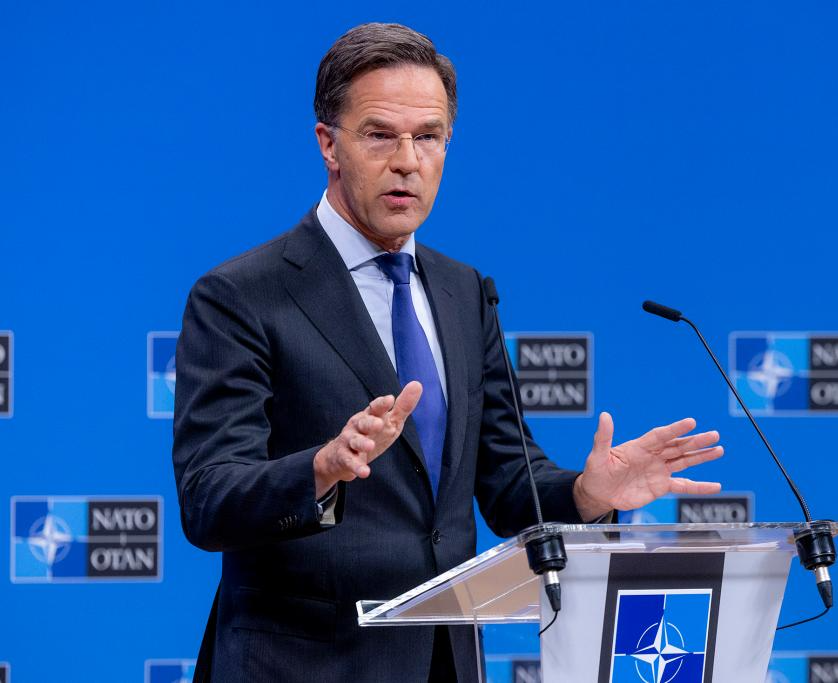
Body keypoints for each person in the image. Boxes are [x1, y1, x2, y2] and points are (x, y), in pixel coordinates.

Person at [172, 22, 725, 682]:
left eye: (428, 137)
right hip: (303, 665)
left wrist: (585, 493)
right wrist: (320, 469)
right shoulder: (242, 295)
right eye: (380, 134)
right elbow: (209, 498)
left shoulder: (464, 292)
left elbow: (509, 481)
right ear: (329, 144)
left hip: (445, 663)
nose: (407, 160)